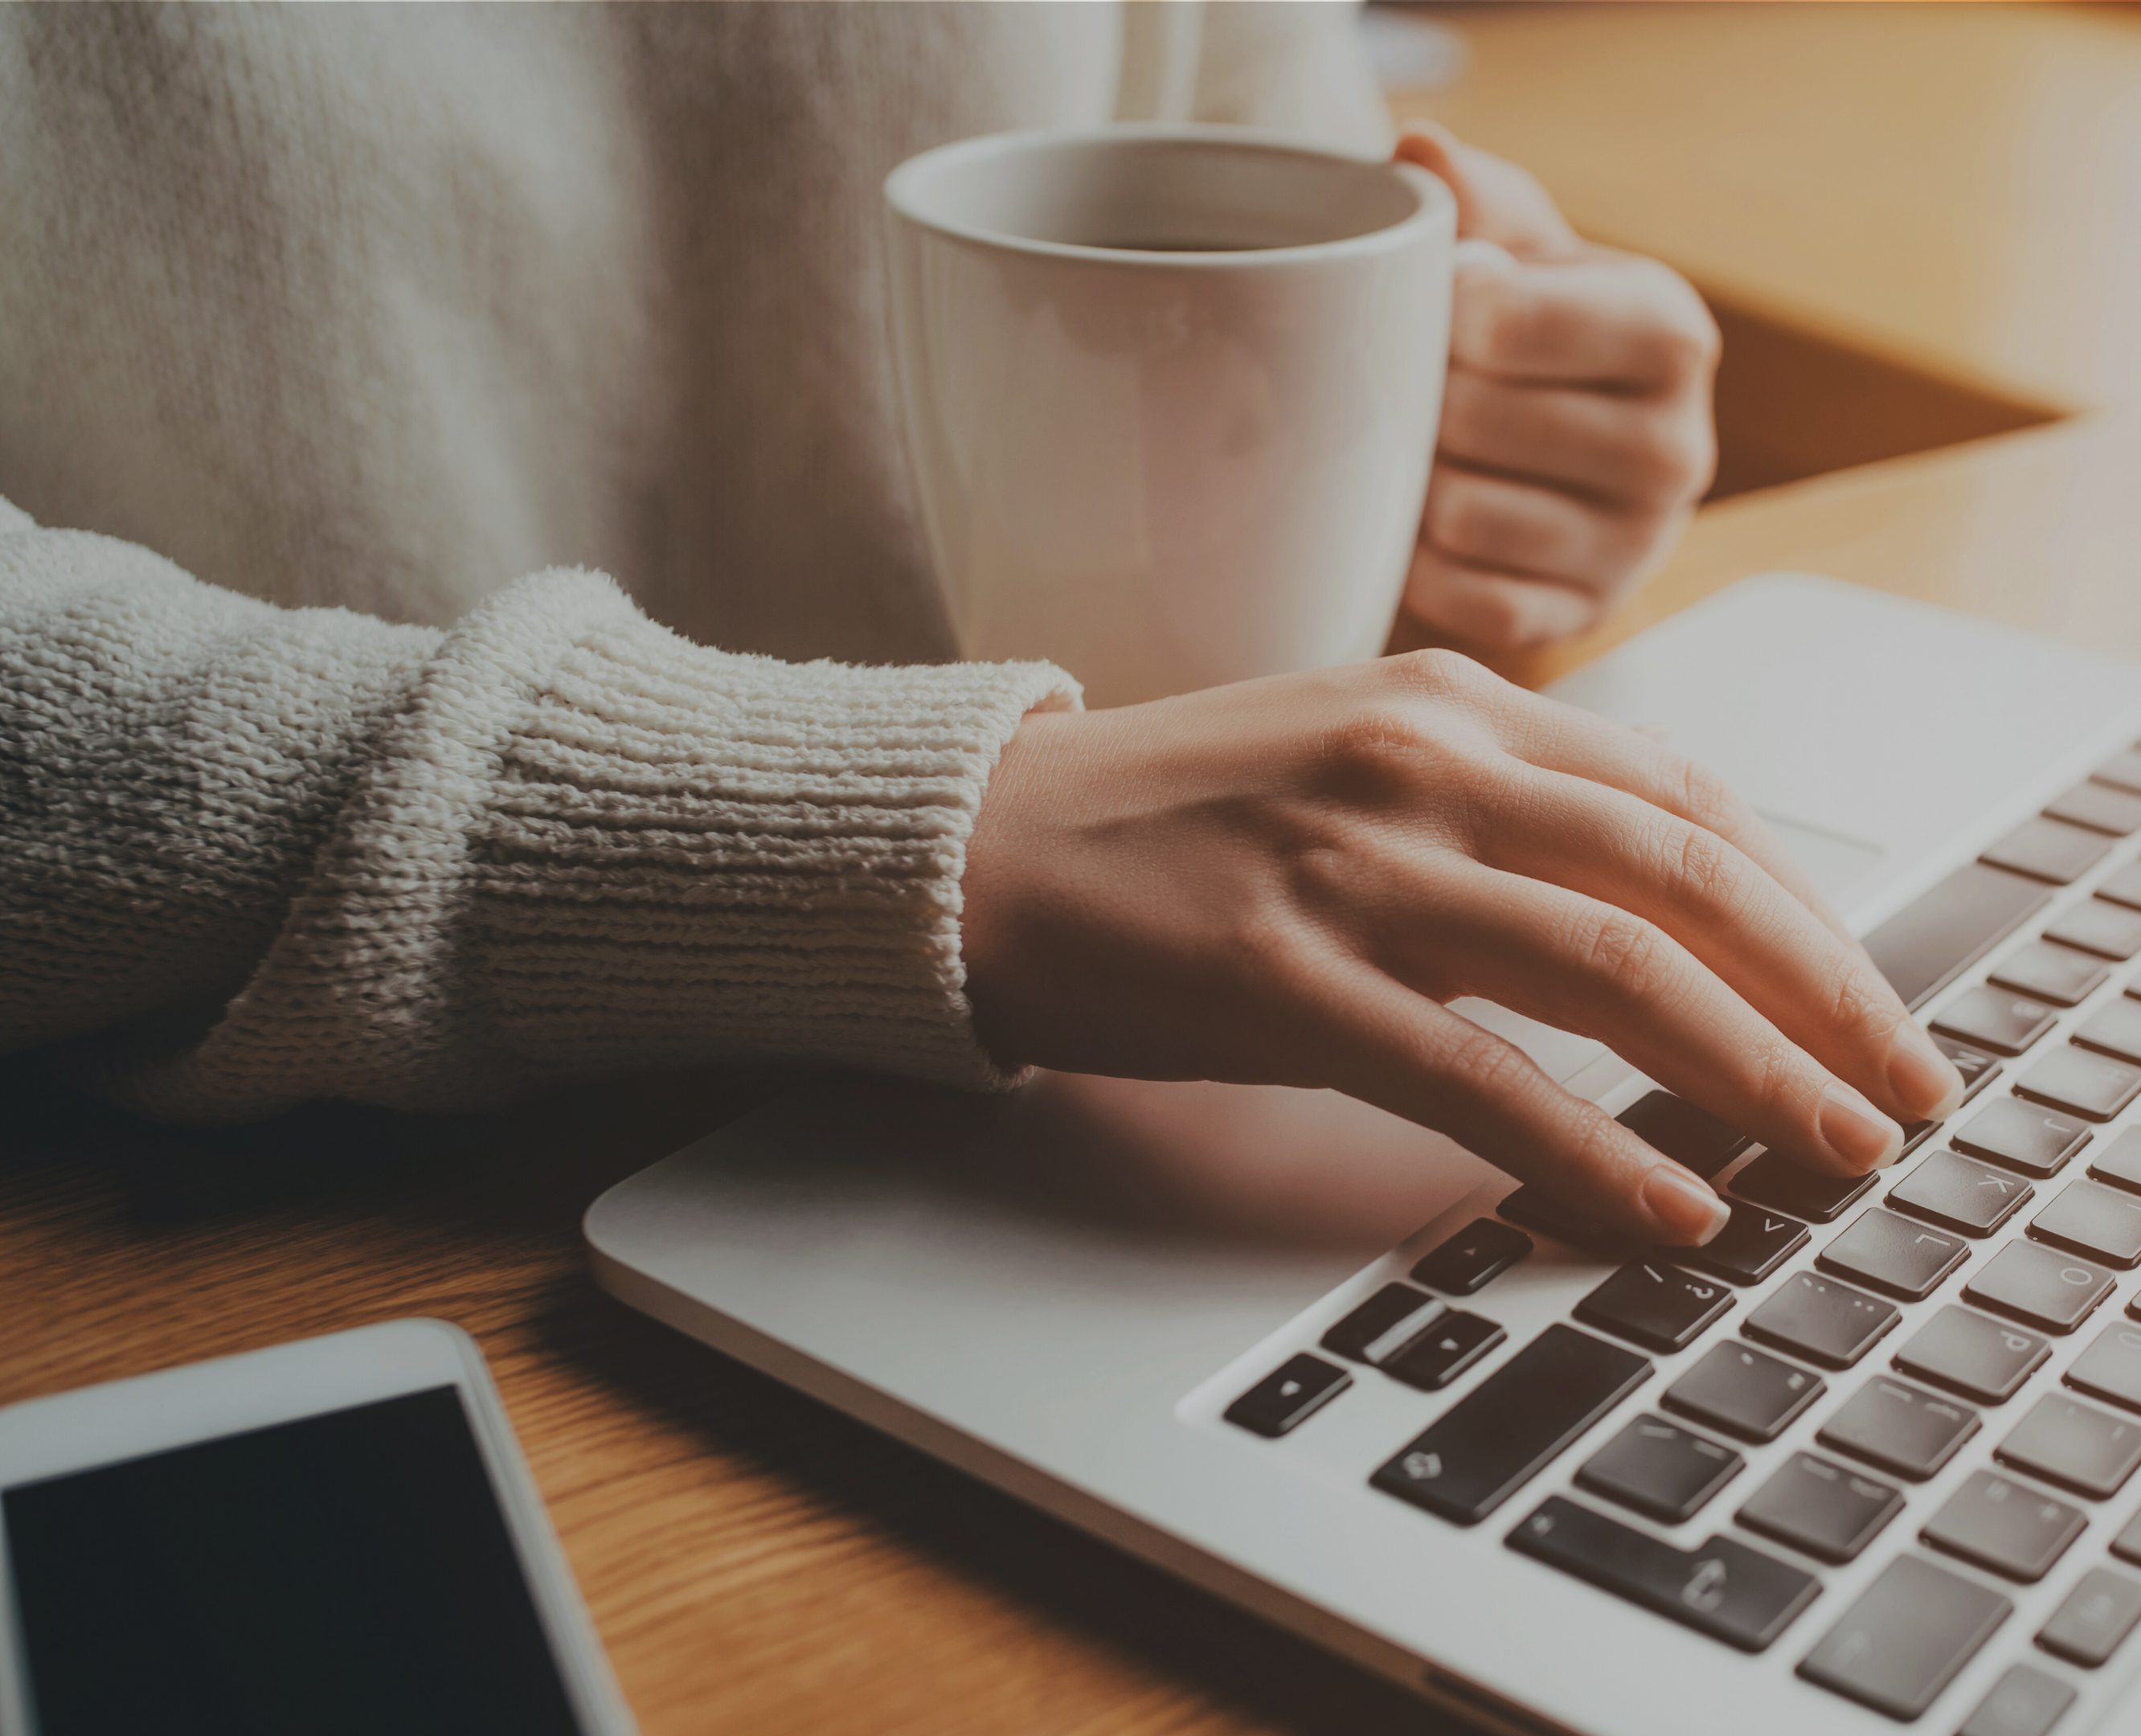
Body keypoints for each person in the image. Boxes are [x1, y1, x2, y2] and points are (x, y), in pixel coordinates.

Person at [0, 2, 1959, 1248]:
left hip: (1097, 1117)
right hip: (267, 1209)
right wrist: (894, 835)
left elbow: (1282, 173)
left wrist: (1480, 445)